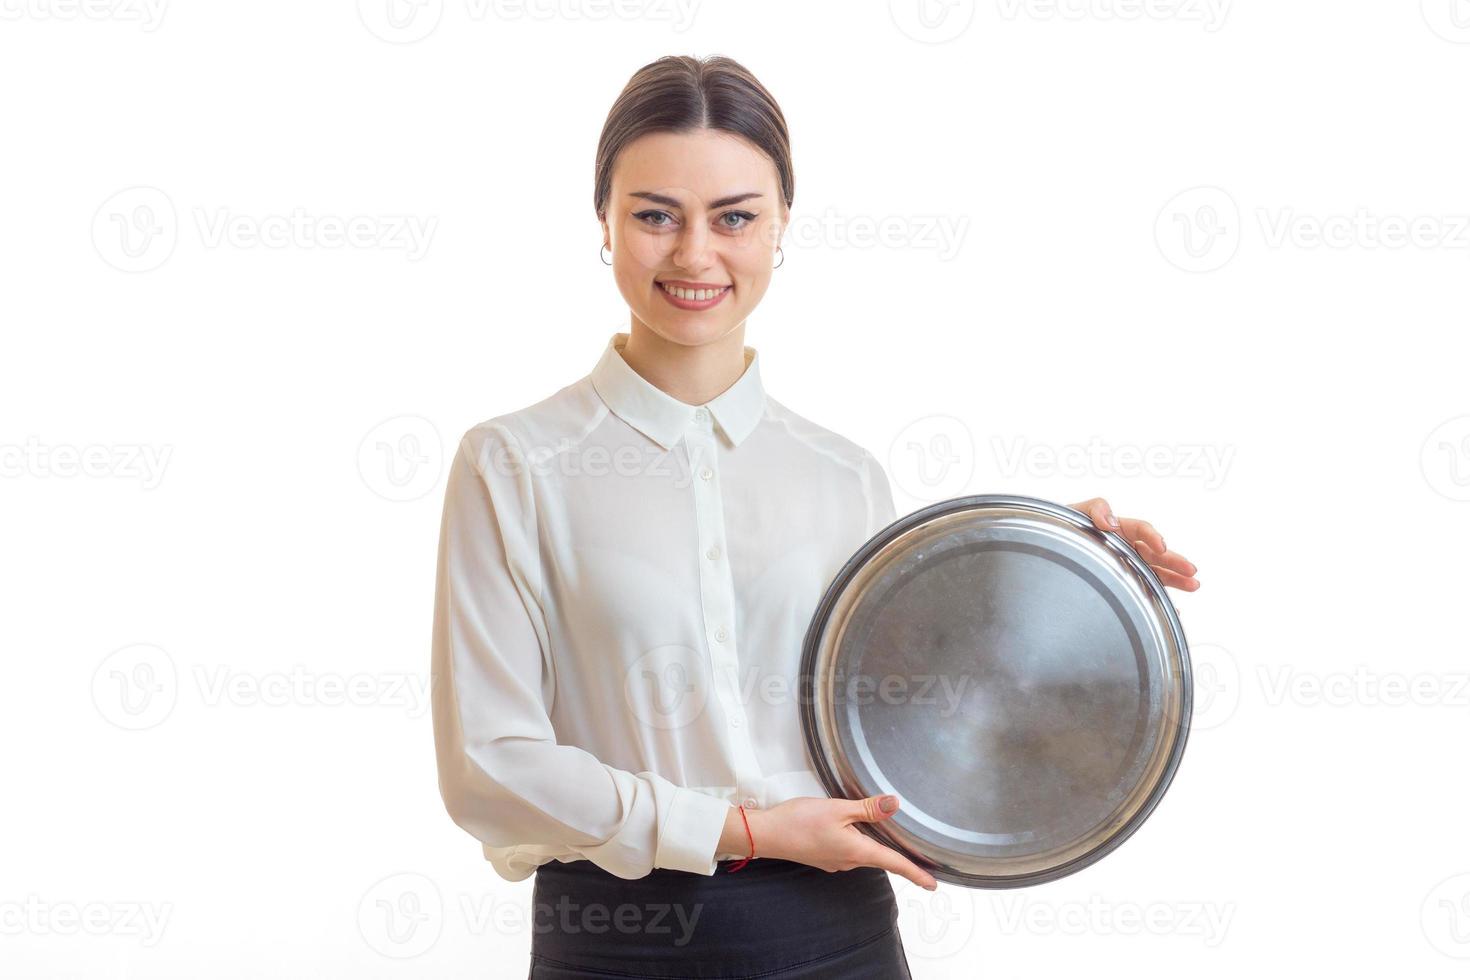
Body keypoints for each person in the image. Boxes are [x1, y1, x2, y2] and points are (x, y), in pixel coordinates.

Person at [430, 53, 1201, 979]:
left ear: (782, 222)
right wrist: (739, 827)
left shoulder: (845, 478)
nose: (694, 254)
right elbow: (489, 767)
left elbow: (917, 716)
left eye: (735, 217)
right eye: (654, 215)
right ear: (603, 218)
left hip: (838, 938)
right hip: (613, 942)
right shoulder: (513, 464)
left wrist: (1050, 570)